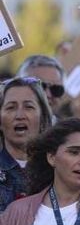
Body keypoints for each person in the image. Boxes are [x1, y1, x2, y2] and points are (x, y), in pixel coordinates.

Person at [0, 77, 54, 212]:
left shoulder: (58, 171)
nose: (20, 115)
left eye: (29, 107)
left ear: (43, 119)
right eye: (11, 107)